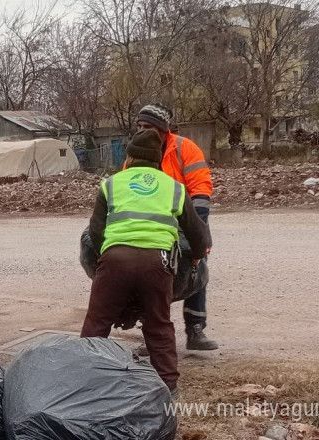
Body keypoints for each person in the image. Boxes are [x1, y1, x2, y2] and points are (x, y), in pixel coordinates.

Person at [81, 129, 210, 394]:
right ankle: (168, 389)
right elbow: (197, 233)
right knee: (159, 326)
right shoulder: (174, 188)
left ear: (129, 157)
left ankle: (84, 385)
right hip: (157, 264)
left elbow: (95, 231)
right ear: (159, 159)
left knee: (97, 324)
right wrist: (196, 257)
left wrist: (104, 261)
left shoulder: (111, 184)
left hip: (115, 260)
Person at [137, 103, 218, 351]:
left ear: (163, 130)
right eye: (139, 126)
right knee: (150, 277)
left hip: (186, 219)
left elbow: (201, 188)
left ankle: (195, 329)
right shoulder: (137, 152)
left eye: (147, 127)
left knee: (195, 269)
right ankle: (153, 334)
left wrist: (198, 229)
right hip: (153, 223)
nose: (141, 131)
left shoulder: (184, 149)